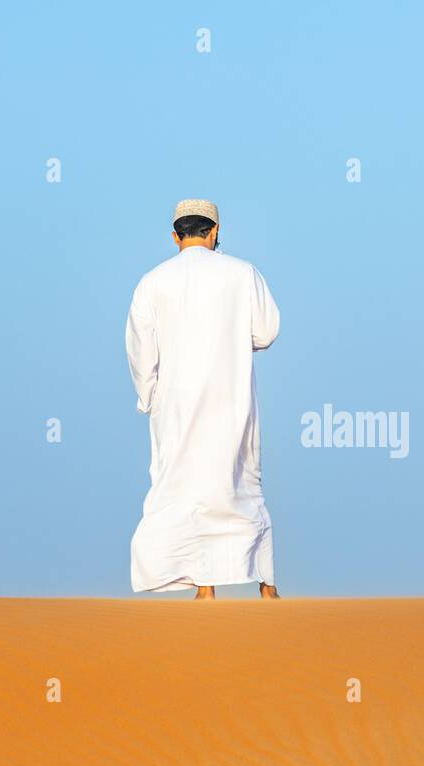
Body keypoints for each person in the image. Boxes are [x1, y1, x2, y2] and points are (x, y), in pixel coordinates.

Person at [125, 199, 281, 600]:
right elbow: (265, 332)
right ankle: (267, 586)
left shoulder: (152, 281)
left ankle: (205, 588)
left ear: (175, 236)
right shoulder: (242, 273)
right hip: (232, 399)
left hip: (175, 406)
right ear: (214, 232)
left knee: (185, 488)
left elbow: (141, 351)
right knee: (240, 482)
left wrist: (149, 397)